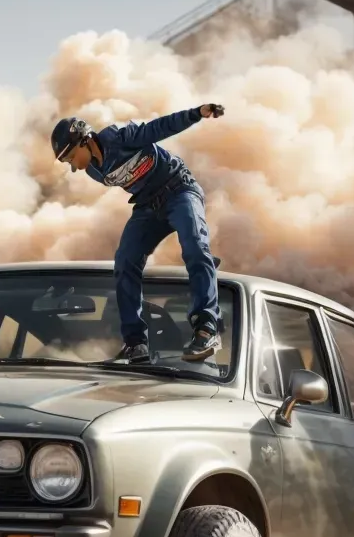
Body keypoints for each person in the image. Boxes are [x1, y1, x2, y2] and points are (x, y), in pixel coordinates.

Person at [51, 103, 228, 364]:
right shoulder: (92, 170)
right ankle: (135, 343)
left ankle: (206, 328)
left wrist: (195, 113)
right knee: (125, 261)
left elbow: (160, 127)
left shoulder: (119, 137)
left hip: (179, 190)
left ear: (84, 140)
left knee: (194, 246)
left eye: (70, 157)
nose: (74, 167)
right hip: (147, 206)